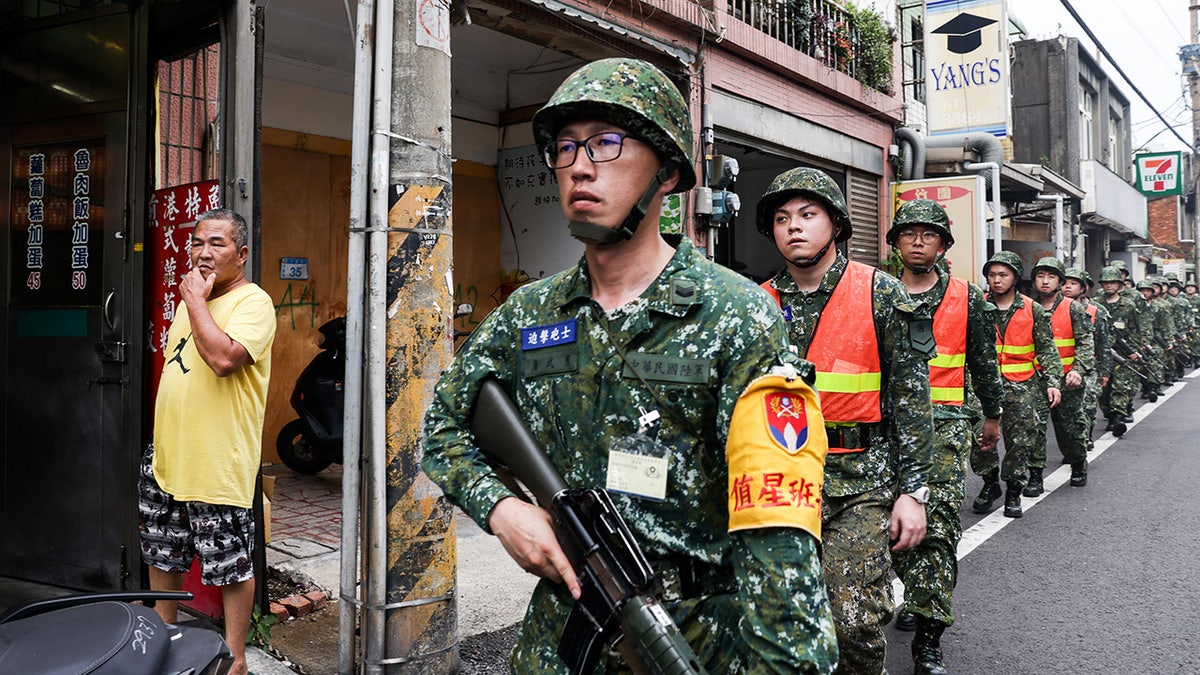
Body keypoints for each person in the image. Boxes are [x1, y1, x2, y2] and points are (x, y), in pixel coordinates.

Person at [422, 58, 838, 673]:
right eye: (565, 149)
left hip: (693, 633)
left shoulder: (736, 314)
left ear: (668, 174)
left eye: (606, 143)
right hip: (563, 630)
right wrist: (501, 509)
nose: (580, 166)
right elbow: (444, 425)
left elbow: (775, 524)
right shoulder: (530, 313)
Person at [757, 168, 934, 675]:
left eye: (808, 215)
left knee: (852, 618)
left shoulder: (881, 293)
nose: (794, 226)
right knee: (784, 620)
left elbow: (911, 400)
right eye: (782, 218)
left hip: (862, 482)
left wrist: (914, 492)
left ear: (835, 224)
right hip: (782, 483)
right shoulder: (755, 304)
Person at [139, 208, 277, 675]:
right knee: (163, 549)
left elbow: (223, 360)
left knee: (230, 562)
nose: (202, 252)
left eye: (216, 244)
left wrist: (197, 301)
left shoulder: (253, 303)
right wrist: (195, 301)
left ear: (241, 254)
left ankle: (235, 657)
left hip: (218, 459)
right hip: (169, 454)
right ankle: (164, 633)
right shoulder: (191, 300)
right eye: (197, 242)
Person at [883, 199, 1002, 675]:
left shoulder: (965, 296)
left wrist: (991, 417)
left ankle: (928, 640)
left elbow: (983, 361)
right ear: (894, 243)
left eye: (928, 234)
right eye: (908, 233)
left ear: (943, 245)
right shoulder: (876, 291)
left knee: (938, 527)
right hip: (884, 428)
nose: (917, 240)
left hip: (946, 425)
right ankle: (914, 592)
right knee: (884, 527)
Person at [972, 251, 1062, 518]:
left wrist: (1052, 382)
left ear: (1014, 278)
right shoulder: (978, 306)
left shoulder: (1031, 308)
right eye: (992, 275)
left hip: (1022, 387)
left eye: (1003, 275)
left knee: (1019, 442)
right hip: (983, 386)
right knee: (979, 438)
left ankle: (1013, 490)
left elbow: (1046, 348)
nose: (996, 280)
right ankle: (990, 484)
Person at [1028, 257, 1094, 490]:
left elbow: (1086, 342)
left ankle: (1078, 464)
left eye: (1051, 277)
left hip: (1068, 380)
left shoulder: (1072, 307)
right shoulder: (1027, 307)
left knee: (1071, 427)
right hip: (1036, 380)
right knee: (1034, 429)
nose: (1045, 282)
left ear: (1059, 281)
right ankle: (1035, 475)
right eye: (1040, 276)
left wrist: (1078, 370)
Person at [1062, 268, 1110, 451]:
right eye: (1065, 282)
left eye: (1073, 283)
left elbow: (1103, 344)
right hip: (1063, 367)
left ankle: (1085, 438)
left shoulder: (1095, 311)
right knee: (1067, 413)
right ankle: (1072, 445)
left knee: (1087, 405)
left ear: (1083, 288)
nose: (1068, 287)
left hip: (1089, 368)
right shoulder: (1052, 308)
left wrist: (1104, 372)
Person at [1098, 267, 1144, 435]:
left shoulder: (1128, 305)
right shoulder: (1096, 303)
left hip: (1123, 354)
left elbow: (1134, 331)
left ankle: (1117, 417)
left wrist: (1134, 351)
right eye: (1106, 283)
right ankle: (1110, 413)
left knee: (1120, 387)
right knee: (1104, 391)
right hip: (1102, 354)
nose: (1109, 286)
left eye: (1113, 282)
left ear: (1119, 284)